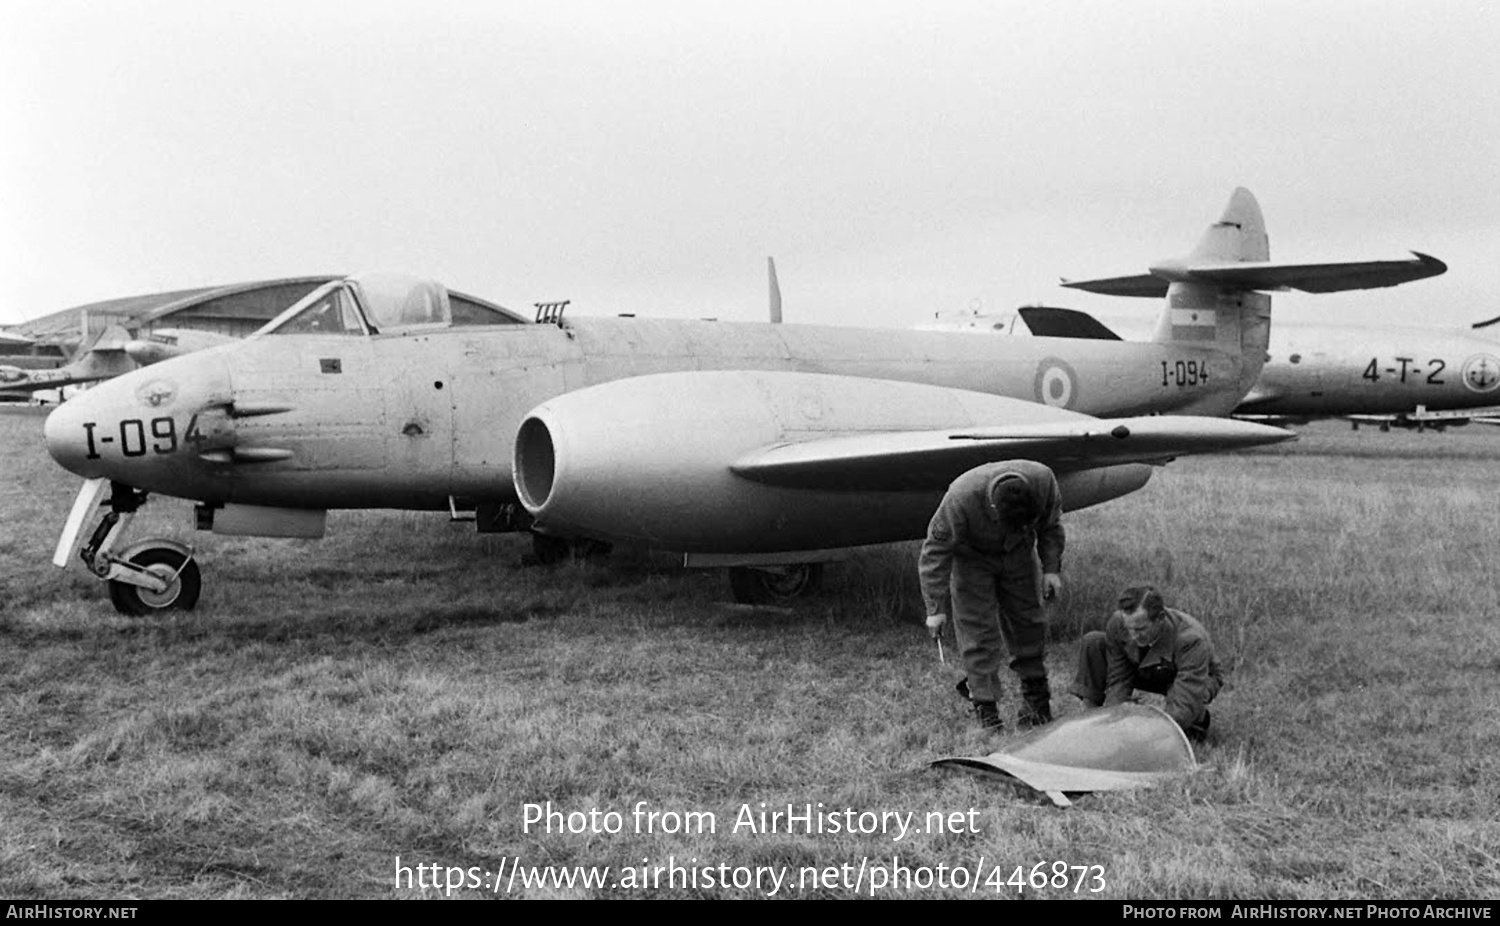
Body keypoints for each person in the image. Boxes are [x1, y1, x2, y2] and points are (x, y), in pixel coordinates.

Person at [919, 460, 1064, 731]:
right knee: (978, 633)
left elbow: (1051, 526)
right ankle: (986, 711)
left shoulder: (1044, 481)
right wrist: (935, 609)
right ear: (994, 509)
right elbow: (934, 553)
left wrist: (1051, 569)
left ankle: (1037, 701)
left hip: (1019, 553)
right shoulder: (961, 498)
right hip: (972, 560)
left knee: (1029, 622)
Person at [1071, 585, 1224, 742]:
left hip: (1197, 675)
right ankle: (1090, 719)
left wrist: (1146, 736)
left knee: (1181, 719)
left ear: (1160, 618)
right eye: (1129, 629)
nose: (1134, 636)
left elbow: (1183, 706)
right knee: (1094, 641)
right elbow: (1118, 680)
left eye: (1140, 629)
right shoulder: (1119, 623)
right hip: (1146, 667)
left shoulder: (1190, 640)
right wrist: (1113, 719)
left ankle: (1198, 721)